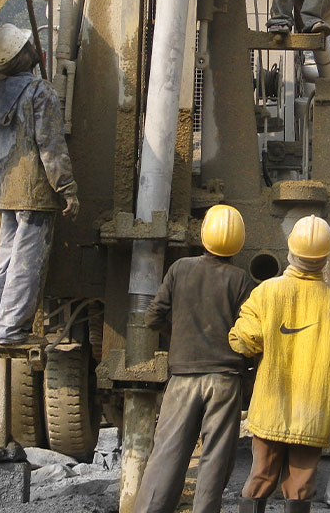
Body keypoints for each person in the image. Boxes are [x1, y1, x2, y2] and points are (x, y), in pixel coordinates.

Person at [229, 215, 330, 513]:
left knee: (260, 477)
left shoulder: (266, 292)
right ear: (325, 258)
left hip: (270, 406)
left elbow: (245, 341)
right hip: (313, 410)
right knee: (301, 486)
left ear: (290, 251)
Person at [0, 23, 79, 345]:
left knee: (7, 261)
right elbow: (51, 145)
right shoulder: (41, 92)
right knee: (26, 263)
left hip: (0, 192)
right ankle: (10, 332)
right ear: (25, 56)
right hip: (34, 194)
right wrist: (66, 189)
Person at [134, 205, 256, 513]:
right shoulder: (242, 281)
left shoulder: (180, 269)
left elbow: (152, 317)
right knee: (215, 460)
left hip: (183, 379)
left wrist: (179, 332)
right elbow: (251, 334)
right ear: (239, 242)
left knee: (166, 455)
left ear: (203, 236)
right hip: (225, 382)